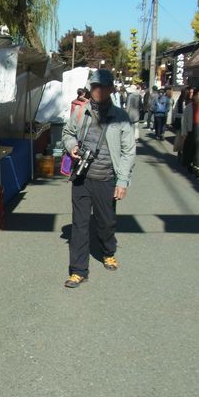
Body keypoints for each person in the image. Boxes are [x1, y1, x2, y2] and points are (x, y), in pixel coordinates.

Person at [61, 69, 136, 288]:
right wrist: (71, 146)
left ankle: (108, 251)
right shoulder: (80, 112)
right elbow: (67, 133)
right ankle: (78, 270)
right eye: (95, 86)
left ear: (111, 88)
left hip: (106, 179)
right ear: (90, 88)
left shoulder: (121, 117)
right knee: (80, 225)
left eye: (103, 86)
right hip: (82, 178)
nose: (99, 91)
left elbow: (128, 151)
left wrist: (122, 182)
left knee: (106, 222)